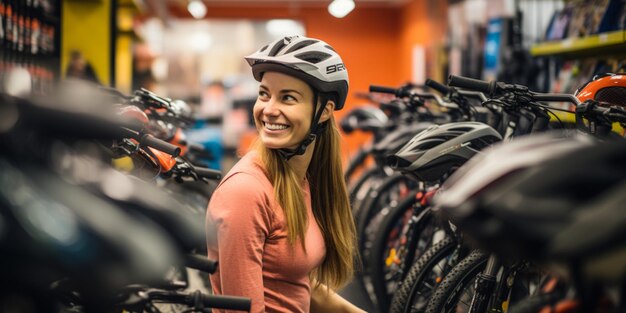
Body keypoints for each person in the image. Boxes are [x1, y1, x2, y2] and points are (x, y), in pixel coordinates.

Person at [206, 35, 365, 313]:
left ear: (324, 111)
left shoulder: (300, 178)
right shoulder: (246, 192)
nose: (268, 110)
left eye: (287, 97)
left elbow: (294, 283)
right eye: (264, 94)